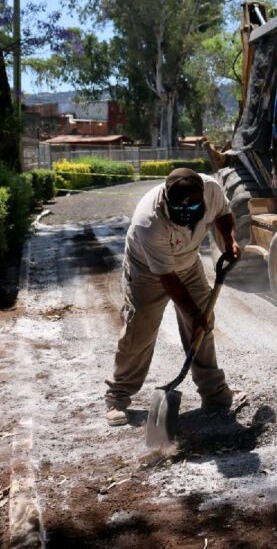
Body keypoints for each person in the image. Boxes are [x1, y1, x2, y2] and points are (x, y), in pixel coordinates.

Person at [104, 168, 242, 426]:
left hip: (188, 264)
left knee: (202, 330)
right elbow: (168, 280)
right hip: (146, 270)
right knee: (140, 329)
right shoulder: (149, 221)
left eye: (193, 210)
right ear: (167, 201)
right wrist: (194, 313)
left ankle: (214, 393)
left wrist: (230, 240)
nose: (188, 216)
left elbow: (223, 213)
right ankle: (118, 396)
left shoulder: (211, 188)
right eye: (181, 212)